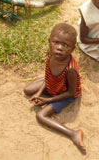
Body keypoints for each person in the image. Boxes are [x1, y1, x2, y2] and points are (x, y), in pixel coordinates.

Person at [24, 23, 86, 154]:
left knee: (41, 116)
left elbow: (71, 92)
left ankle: (73, 134)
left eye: (66, 45)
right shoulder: (51, 55)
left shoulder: (71, 70)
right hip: (53, 83)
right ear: (49, 42)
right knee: (28, 90)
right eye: (56, 42)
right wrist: (39, 93)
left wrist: (47, 101)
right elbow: (47, 76)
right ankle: (49, 88)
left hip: (66, 93)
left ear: (73, 48)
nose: (59, 48)